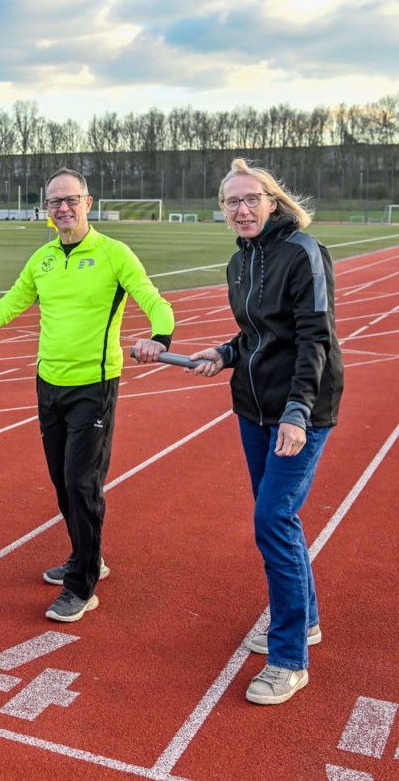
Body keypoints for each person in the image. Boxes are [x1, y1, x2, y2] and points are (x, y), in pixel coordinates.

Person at [0, 168, 174, 622]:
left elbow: (154, 299)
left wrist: (161, 336)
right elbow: (6, 307)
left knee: (82, 483)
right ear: (47, 210)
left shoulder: (115, 255)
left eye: (70, 200)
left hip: (93, 387)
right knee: (62, 482)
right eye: (54, 202)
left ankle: (82, 586)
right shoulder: (42, 260)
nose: (62, 208)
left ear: (88, 203)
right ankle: (86, 556)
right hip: (48, 385)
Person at [188, 158, 343, 705]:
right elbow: (256, 335)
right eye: (232, 202)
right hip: (252, 407)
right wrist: (224, 353)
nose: (242, 209)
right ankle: (305, 620)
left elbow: (313, 338)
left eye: (252, 198)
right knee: (278, 515)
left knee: (273, 518)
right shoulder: (239, 261)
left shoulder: (303, 252)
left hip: (300, 409)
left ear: (273, 201)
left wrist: (298, 412)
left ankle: (288, 658)